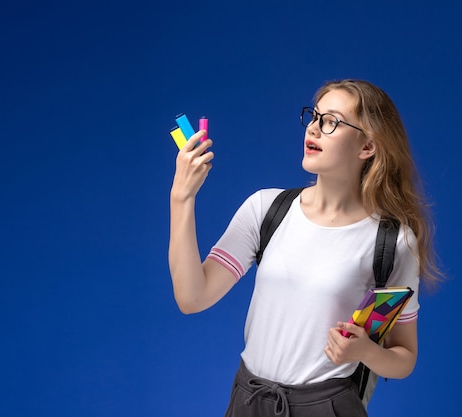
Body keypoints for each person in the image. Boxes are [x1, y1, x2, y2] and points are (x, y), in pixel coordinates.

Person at [168, 79, 442, 416]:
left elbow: (404, 358)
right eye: (314, 117)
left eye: (331, 122)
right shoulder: (266, 209)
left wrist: (364, 352)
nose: (313, 128)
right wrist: (182, 197)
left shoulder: (391, 242)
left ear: (367, 146)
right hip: (249, 401)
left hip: (328, 406)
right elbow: (191, 298)